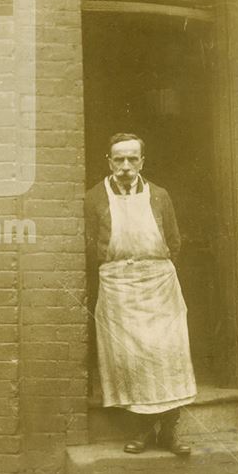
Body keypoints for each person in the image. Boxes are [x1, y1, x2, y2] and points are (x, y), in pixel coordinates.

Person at [85, 133, 196, 456]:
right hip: (118, 284)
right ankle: (142, 430)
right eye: (118, 159)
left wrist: (152, 268)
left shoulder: (159, 195)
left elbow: (173, 241)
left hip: (159, 283)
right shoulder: (94, 197)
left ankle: (170, 433)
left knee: (168, 354)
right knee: (131, 358)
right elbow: (91, 244)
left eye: (132, 159)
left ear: (142, 162)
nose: (125, 166)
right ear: (109, 161)